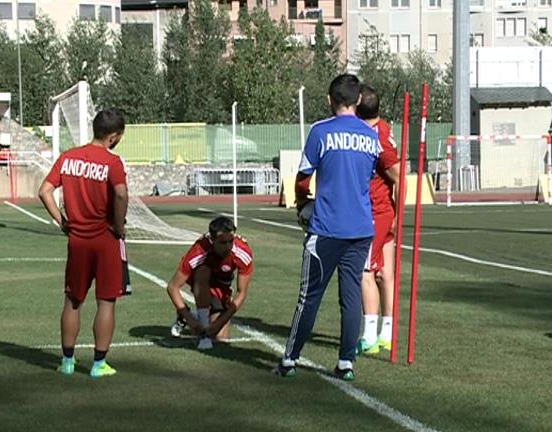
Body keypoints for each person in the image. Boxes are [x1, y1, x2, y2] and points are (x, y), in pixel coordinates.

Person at [276, 74, 381, 381]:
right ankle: (346, 362)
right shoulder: (370, 136)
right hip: (361, 228)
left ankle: (289, 360)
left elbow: (304, 176)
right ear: (358, 99)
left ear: (329, 100)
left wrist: (300, 202)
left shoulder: (321, 131)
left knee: (309, 297)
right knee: (350, 298)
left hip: (326, 227)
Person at [38, 108, 129, 379]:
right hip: (105, 239)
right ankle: (99, 364)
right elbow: (121, 193)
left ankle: (67, 362)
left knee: (73, 300)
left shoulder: (68, 157)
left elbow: (44, 191)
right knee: (106, 302)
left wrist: (62, 221)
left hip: (77, 239)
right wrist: (119, 224)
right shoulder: (112, 162)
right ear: (113, 137)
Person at [355, 84, 402, 355]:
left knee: (365, 273)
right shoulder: (380, 129)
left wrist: (394, 211)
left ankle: (370, 336)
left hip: (375, 212)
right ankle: (387, 333)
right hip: (381, 210)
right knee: (385, 274)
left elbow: (397, 174)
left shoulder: (376, 136)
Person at [166, 216, 253, 350]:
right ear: (212, 241)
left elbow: (241, 293)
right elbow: (173, 287)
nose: (228, 246)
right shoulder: (199, 252)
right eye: (222, 243)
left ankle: (191, 317)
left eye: (231, 241)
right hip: (201, 279)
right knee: (203, 271)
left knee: (220, 338)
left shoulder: (242, 252)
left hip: (222, 284)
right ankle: (202, 333)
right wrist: (192, 323)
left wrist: (219, 324)